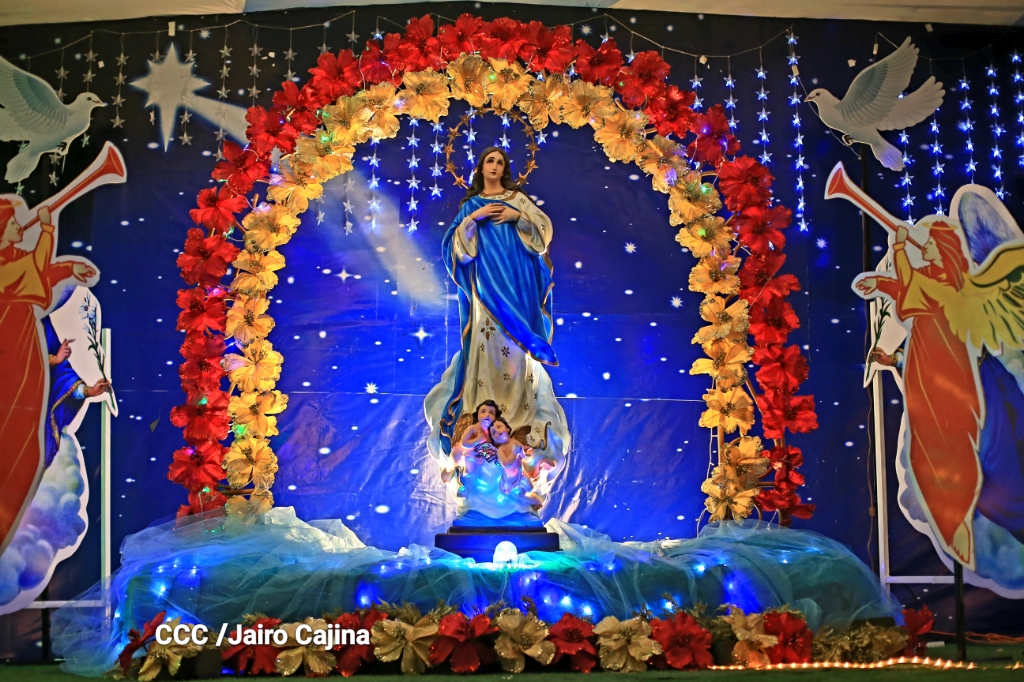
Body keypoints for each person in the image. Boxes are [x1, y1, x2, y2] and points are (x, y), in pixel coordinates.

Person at [424, 146, 569, 522]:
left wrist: (517, 216)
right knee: (485, 354)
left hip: (517, 294)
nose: (494, 166)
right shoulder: (471, 205)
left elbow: (542, 236)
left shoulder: (517, 200)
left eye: (500, 162)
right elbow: (456, 252)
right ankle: (478, 446)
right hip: (485, 297)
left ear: (505, 168)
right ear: (480, 167)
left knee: (518, 362)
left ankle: (518, 437)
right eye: (489, 161)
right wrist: (474, 218)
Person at [0, 201, 95, 553]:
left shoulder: (14, 263)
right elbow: (29, 273)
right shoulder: (6, 268)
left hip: (27, 354)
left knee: (27, 438)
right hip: (10, 355)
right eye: (13, 224)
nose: (19, 228)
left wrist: (66, 266)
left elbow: (36, 274)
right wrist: (47, 230)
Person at [42, 316, 110, 465]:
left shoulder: (42, 324)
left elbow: (63, 376)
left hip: (35, 417)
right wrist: (53, 360)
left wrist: (87, 391)